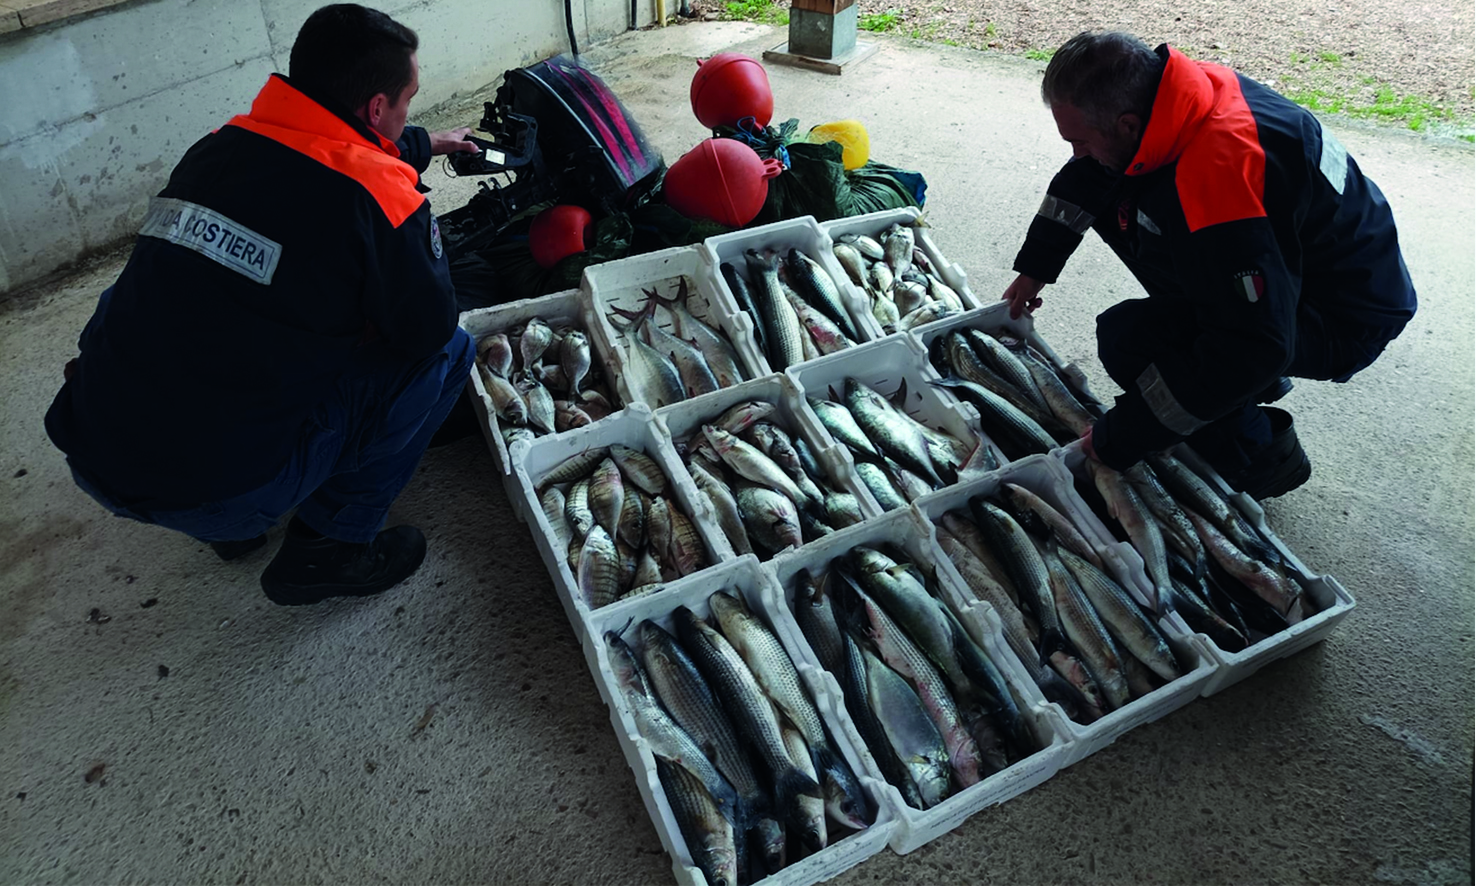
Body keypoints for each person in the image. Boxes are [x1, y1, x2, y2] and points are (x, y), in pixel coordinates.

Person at [44, 4, 482, 605]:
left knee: (163, 290)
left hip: (92, 450)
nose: (408, 111)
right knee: (447, 354)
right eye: (407, 100)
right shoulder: (382, 198)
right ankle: (330, 548)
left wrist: (424, 142)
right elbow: (425, 328)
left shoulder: (219, 146)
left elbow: (330, 145)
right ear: (377, 107)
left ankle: (219, 517)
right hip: (224, 497)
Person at [1003, 31, 1416, 498]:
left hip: (1344, 312)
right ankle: (1239, 380)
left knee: (1131, 340)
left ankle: (1260, 458)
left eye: (1079, 140)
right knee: (1121, 191)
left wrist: (1118, 439)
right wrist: (1035, 267)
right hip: (1288, 260)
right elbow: (1088, 175)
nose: (1075, 153)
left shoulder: (1220, 182)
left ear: (1127, 125)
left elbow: (1252, 343)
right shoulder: (1174, 92)